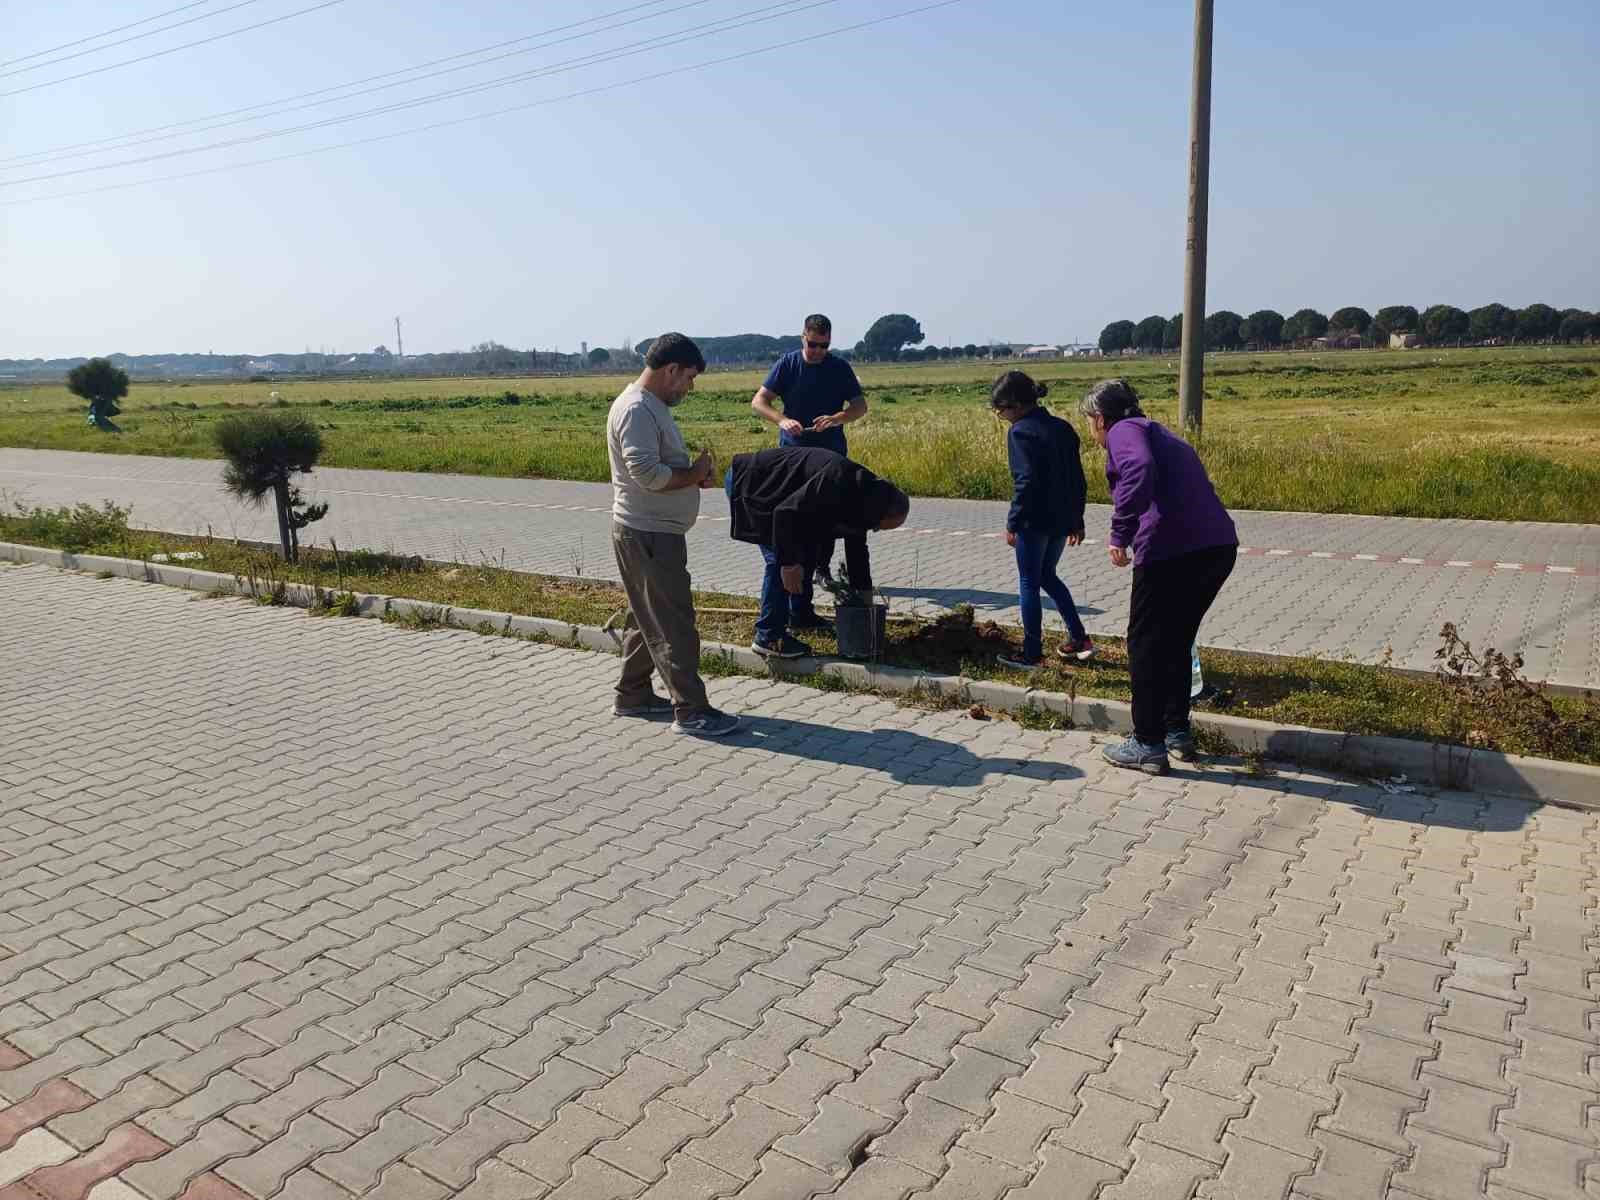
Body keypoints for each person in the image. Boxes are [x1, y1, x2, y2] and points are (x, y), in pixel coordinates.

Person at [1080, 378, 1237, 774]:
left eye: (1089, 421)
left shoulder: (1123, 432)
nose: (1091, 430)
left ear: (1100, 418)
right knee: (1176, 640)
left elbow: (1139, 469)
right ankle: (1175, 730)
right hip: (1216, 547)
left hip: (1172, 551)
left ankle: (1147, 743)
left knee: (1146, 643)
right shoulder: (1159, 432)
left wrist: (1119, 532)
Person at [606, 333, 739, 737]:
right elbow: (646, 474)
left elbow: (657, 469)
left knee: (646, 618)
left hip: (649, 532)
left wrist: (689, 477)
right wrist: (694, 474)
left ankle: (633, 696)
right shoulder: (637, 410)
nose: (690, 387)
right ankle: (692, 711)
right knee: (673, 625)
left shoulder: (649, 406)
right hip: (648, 534)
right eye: (689, 378)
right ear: (671, 370)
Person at [725, 446, 910, 659]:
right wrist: (788, 564)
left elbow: (857, 550)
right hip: (754, 481)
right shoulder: (838, 481)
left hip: (785, 497)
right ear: (880, 513)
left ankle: (801, 616)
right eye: (879, 527)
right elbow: (784, 513)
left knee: (809, 548)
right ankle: (768, 637)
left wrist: (864, 600)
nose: (874, 529)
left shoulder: (866, 501)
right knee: (781, 559)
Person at [750, 314, 867, 627]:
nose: (818, 351)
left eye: (824, 346)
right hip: (793, 458)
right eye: (813, 344)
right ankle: (792, 607)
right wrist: (781, 420)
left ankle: (816, 579)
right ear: (802, 337)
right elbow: (759, 401)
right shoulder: (787, 364)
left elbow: (860, 407)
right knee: (792, 526)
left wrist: (839, 418)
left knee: (822, 526)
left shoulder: (839, 367)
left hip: (830, 458)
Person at [988, 370, 1095, 671]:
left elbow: (1025, 481)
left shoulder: (1021, 431)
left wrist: (1013, 523)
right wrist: (1078, 519)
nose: (1001, 416)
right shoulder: (1063, 428)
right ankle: (1079, 639)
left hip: (1033, 521)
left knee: (1029, 583)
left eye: (1001, 410)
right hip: (1061, 520)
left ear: (1016, 405)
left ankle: (1031, 653)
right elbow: (1078, 479)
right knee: (1047, 575)